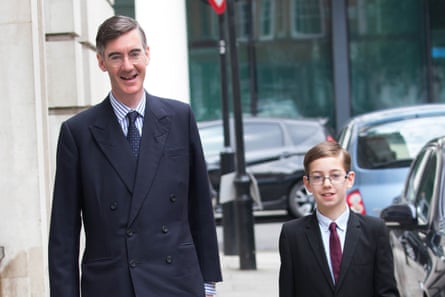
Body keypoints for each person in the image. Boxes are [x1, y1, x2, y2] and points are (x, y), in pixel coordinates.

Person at [48, 15, 222, 297]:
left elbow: (200, 205)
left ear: (148, 54)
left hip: (177, 281)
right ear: (101, 62)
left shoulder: (180, 117)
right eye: (115, 57)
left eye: (134, 53)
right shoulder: (77, 133)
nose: (127, 66)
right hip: (112, 285)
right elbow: (63, 232)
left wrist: (208, 281)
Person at [278, 141, 399, 297]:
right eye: (317, 177)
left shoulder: (374, 230)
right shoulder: (292, 234)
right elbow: (288, 291)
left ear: (349, 179)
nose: (327, 184)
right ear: (307, 184)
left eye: (335, 176)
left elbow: (386, 291)